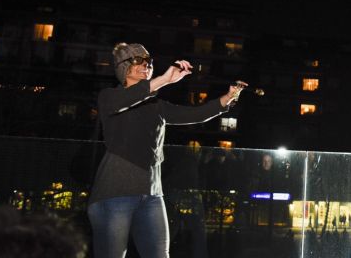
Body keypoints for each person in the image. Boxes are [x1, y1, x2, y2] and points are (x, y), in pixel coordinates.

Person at [87, 43, 246, 258]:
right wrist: (165, 79)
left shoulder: (157, 106)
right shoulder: (109, 97)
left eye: (149, 62)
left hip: (152, 195)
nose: (146, 66)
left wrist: (227, 99)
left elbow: (194, 115)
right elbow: (128, 99)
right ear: (122, 67)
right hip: (114, 193)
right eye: (137, 61)